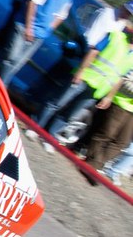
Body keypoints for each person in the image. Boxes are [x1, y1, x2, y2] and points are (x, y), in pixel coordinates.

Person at [29, 16, 133, 147]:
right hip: (85, 77)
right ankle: (35, 127)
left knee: (71, 114)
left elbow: (120, 77)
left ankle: (50, 138)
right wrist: (80, 71)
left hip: (98, 89)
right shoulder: (115, 37)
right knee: (56, 103)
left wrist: (109, 96)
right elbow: (93, 53)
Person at [0, 0, 86, 87]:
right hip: (24, 27)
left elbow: (61, 15)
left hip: (40, 35)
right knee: (10, 57)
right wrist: (29, 27)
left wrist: (49, 28)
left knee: (17, 63)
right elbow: (32, 1)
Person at [84, 70, 133, 171]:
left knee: (122, 142)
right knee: (106, 134)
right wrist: (109, 97)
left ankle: (95, 164)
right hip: (120, 104)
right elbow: (123, 80)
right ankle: (91, 163)